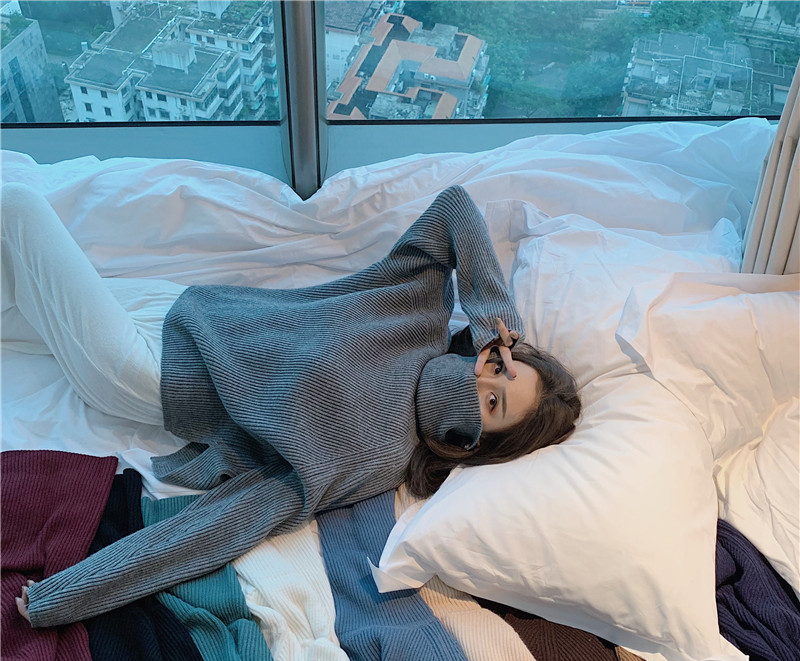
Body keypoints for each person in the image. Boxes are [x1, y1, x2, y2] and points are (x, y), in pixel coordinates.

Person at [3, 182, 580, 628]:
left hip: (146, 371)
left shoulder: (381, 454)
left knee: (18, 207)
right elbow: (454, 207)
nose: (480, 381)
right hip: (179, 307)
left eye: (494, 403)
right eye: (497, 367)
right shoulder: (419, 309)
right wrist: (492, 319)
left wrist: (66, 594)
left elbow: (223, 524)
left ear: (477, 443)